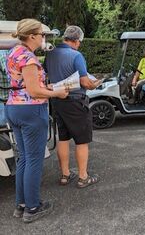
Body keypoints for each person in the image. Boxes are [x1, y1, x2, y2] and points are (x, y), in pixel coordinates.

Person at [4, 19, 68, 223]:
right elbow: (33, 91)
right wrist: (57, 93)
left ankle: (21, 204)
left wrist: (47, 89)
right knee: (33, 159)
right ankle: (33, 207)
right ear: (31, 36)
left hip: (13, 107)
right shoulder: (29, 58)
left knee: (23, 157)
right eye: (41, 34)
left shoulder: (13, 52)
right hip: (31, 110)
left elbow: (24, 85)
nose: (43, 38)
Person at [44, 26, 101, 188]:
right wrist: (93, 84)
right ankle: (83, 177)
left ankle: (65, 175)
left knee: (63, 138)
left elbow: (47, 73)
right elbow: (84, 81)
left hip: (57, 100)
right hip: (75, 101)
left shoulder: (51, 54)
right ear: (76, 41)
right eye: (79, 42)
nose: (79, 45)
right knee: (82, 140)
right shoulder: (76, 55)